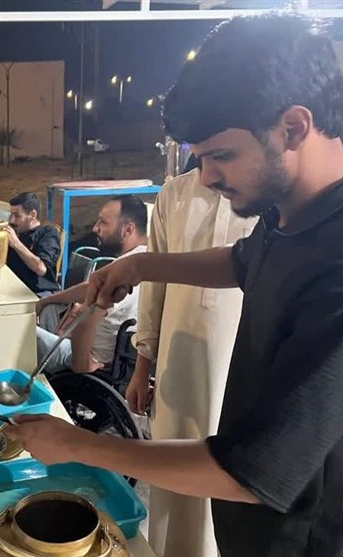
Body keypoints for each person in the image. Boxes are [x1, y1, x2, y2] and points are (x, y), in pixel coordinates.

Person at [7, 14, 343, 557]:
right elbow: (241, 261)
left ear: (294, 127)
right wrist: (140, 267)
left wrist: (79, 445)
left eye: (222, 155)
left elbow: (254, 473)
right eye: (200, 157)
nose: (207, 176)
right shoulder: (290, 214)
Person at [126, 168, 256, 557]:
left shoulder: (261, 198)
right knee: (171, 470)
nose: (210, 170)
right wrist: (142, 367)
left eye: (221, 154)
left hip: (239, 362)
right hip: (177, 361)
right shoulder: (174, 193)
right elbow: (154, 286)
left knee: (229, 472)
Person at [36, 195, 148, 375]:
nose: (95, 228)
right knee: (49, 309)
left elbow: (86, 317)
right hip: (118, 359)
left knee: (19, 327)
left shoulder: (123, 272)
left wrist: (80, 365)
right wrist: (45, 301)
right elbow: (89, 287)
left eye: (103, 222)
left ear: (128, 229)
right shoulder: (144, 260)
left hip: (90, 360)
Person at [4, 192, 61, 297]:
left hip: (39, 293)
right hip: (13, 290)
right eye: (10, 215)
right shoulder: (17, 232)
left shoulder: (47, 233)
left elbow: (41, 269)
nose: (11, 220)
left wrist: (16, 243)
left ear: (33, 215)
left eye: (17, 216)